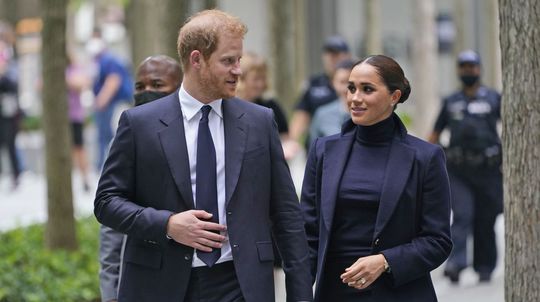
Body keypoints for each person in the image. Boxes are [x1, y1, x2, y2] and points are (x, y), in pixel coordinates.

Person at [94, 9, 312, 302]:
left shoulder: (260, 121)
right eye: (228, 61)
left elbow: (286, 214)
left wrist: (301, 295)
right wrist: (167, 224)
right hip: (161, 285)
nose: (238, 70)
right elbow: (107, 202)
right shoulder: (139, 124)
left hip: (240, 284)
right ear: (196, 60)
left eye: (239, 60)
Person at [301, 55, 452, 301]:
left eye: (367, 89)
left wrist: (385, 261)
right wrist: (299, 292)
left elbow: (438, 241)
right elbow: (308, 233)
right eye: (351, 88)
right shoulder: (323, 151)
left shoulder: (426, 157)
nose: (355, 98)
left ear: (394, 97)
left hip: (399, 292)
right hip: (335, 292)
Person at [97, 55, 182, 302]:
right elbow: (111, 223)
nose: (146, 92)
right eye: (139, 86)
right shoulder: (126, 138)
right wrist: (111, 289)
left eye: (157, 85)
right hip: (144, 275)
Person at [428, 50, 502, 284]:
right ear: (459, 70)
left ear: (479, 69)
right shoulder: (451, 102)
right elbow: (435, 133)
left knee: (485, 219)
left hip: (488, 170)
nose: (468, 71)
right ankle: (456, 263)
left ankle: (485, 266)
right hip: (458, 170)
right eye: (464, 67)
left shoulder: (493, 98)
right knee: (462, 215)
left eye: (472, 66)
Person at [288, 35, 351, 152]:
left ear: (347, 55)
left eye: (336, 54)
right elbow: (301, 115)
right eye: (329, 53)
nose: (332, 58)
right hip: (320, 140)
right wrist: (293, 141)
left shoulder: (357, 82)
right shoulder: (314, 83)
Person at [86, 30, 133, 170]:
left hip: (112, 104)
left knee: (110, 136)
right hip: (106, 105)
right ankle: (102, 165)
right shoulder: (98, 60)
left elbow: (113, 81)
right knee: (103, 137)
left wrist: (100, 101)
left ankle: (108, 166)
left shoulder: (109, 60)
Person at [309, 59, 354, 145]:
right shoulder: (322, 115)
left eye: (350, 83)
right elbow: (313, 149)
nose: (346, 88)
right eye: (342, 82)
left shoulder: (367, 114)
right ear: (333, 83)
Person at [66, 54, 91, 192]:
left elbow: (82, 83)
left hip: (75, 116)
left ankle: (85, 179)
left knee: (79, 149)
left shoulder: (75, 68)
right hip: (61, 119)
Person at [0, 38, 22, 189]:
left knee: (10, 145)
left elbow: (12, 88)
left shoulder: (11, 71)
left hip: (9, 114)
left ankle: (16, 175)